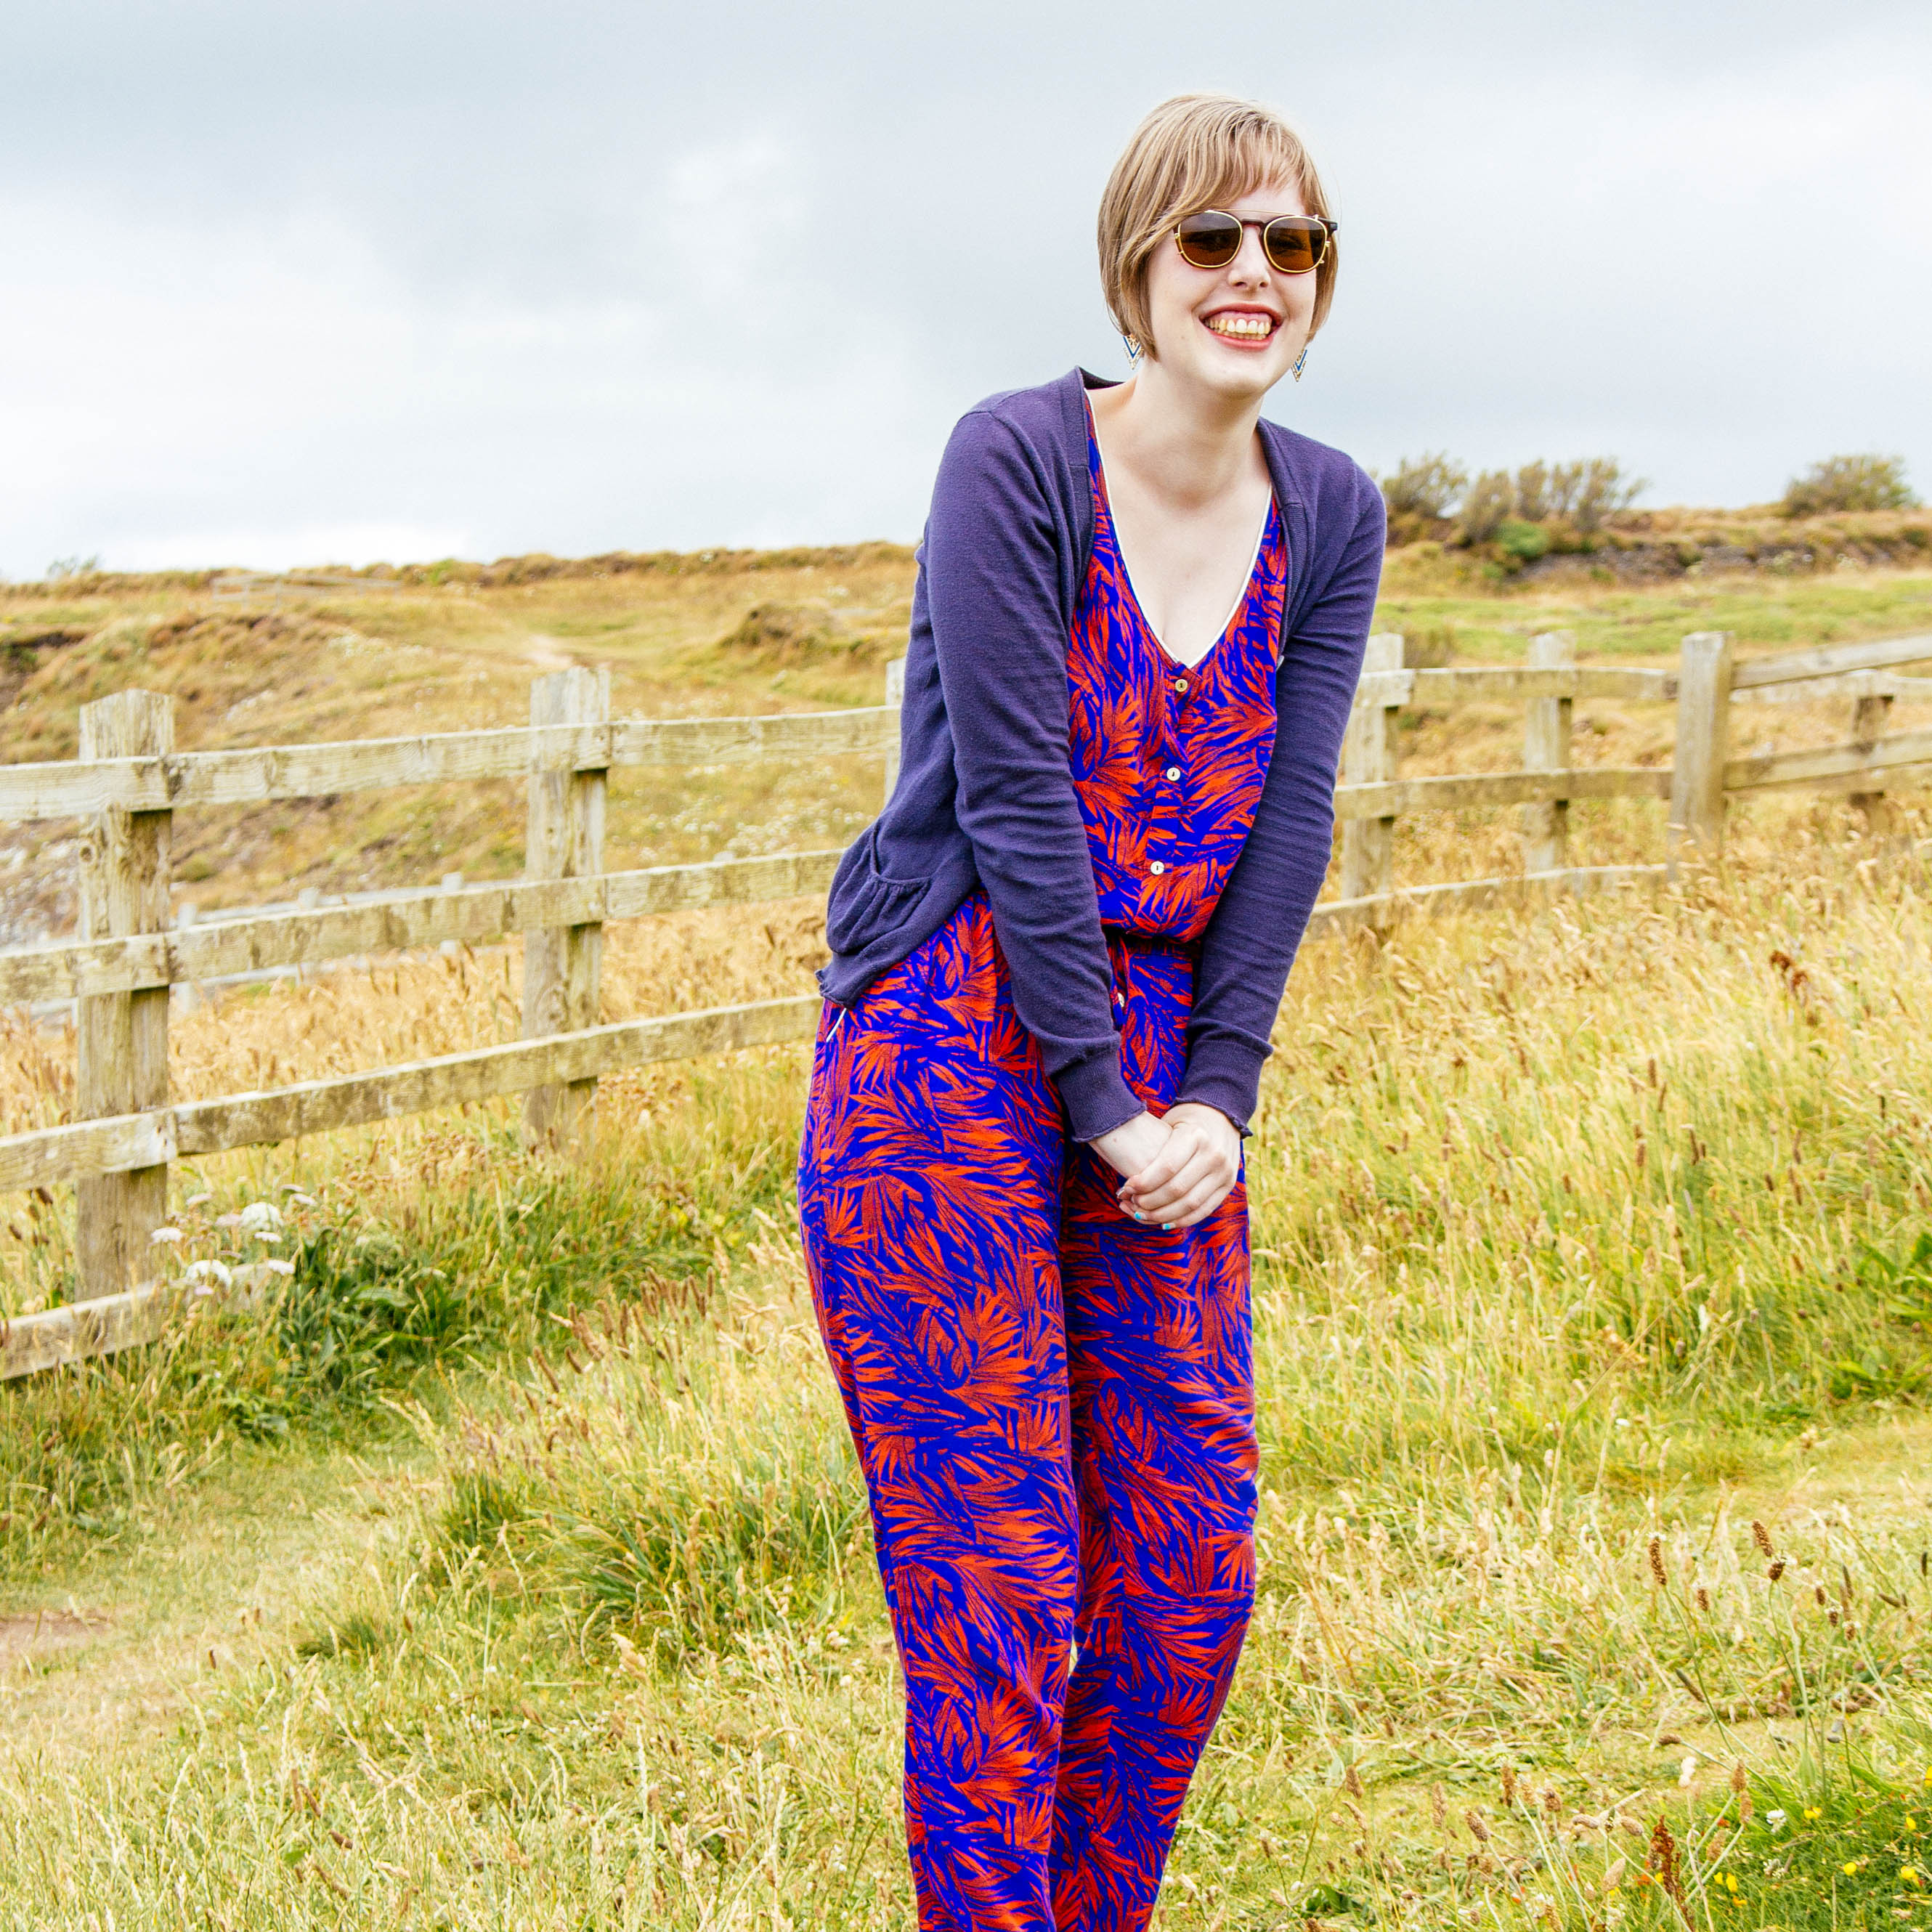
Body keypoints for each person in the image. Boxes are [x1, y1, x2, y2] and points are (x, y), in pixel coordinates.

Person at [797, 91, 1385, 1932]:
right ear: (1140, 261)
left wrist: (1220, 1093)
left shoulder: (1334, 512)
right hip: (949, 1049)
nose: (1251, 274)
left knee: (1190, 1558)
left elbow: (1286, 819)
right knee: (1004, 1586)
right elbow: (1015, 791)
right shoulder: (1019, 458)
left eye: (1288, 244)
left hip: (1157, 1076)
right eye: (1213, 238)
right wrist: (1098, 1091)